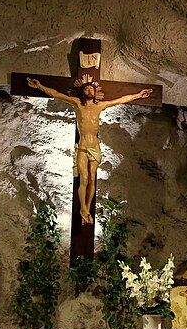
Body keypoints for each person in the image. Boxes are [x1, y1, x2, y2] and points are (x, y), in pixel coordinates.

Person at [27, 74, 152, 224]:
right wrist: (39, 86)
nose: (88, 90)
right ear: (82, 92)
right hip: (82, 146)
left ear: (94, 92)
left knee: (92, 178)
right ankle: (83, 209)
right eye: (86, 88)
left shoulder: (100, 105)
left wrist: (138, 95)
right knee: (83, 179)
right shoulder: (77, 103)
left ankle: (86, 208)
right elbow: (56, 94)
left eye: (90, 88)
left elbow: (120, 100)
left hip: (94, 146)